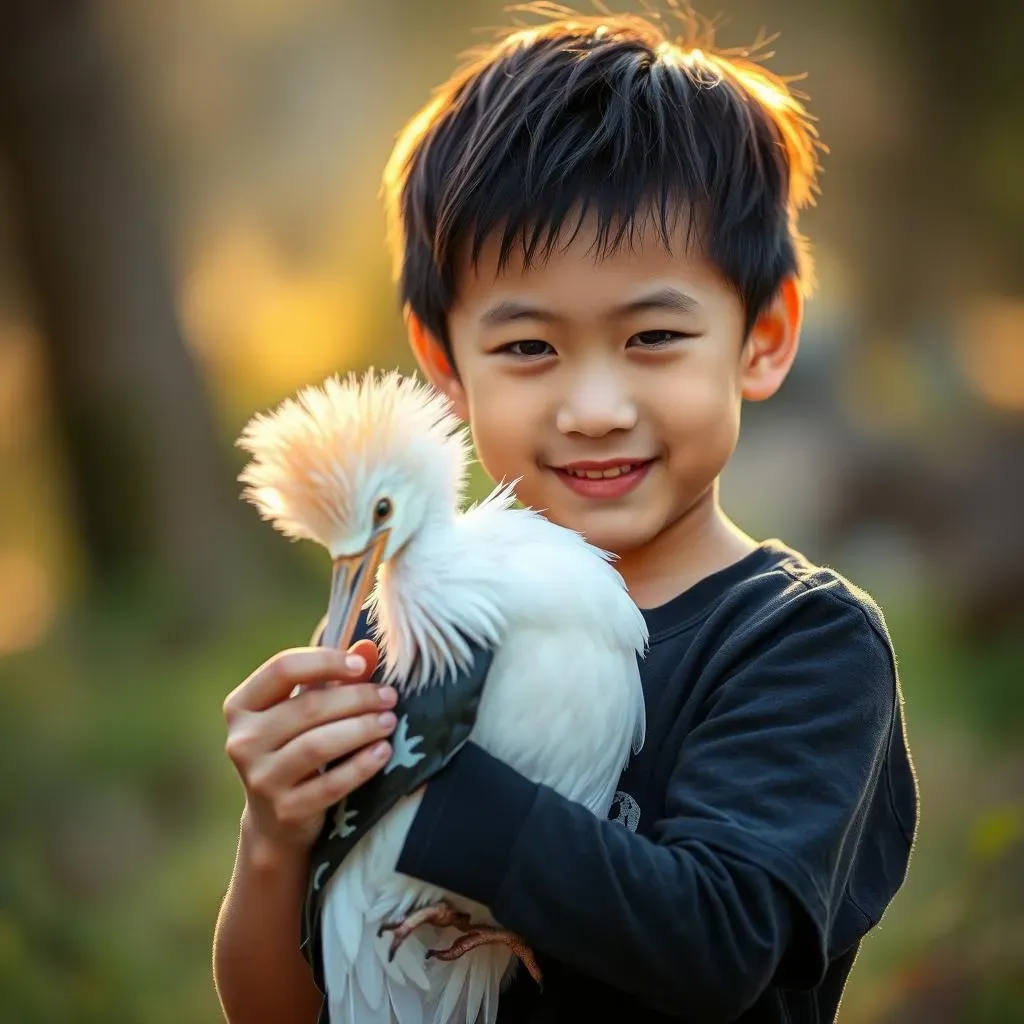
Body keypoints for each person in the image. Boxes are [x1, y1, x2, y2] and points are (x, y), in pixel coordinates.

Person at [213, 11, 918, 1023]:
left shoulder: (798, 645)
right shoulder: (415, 632)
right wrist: (274, 834)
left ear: (763, 338)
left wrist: (422, 788)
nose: (593, 408)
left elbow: (716, 944)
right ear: (444, 363)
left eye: (654, 335)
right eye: (529, 349)